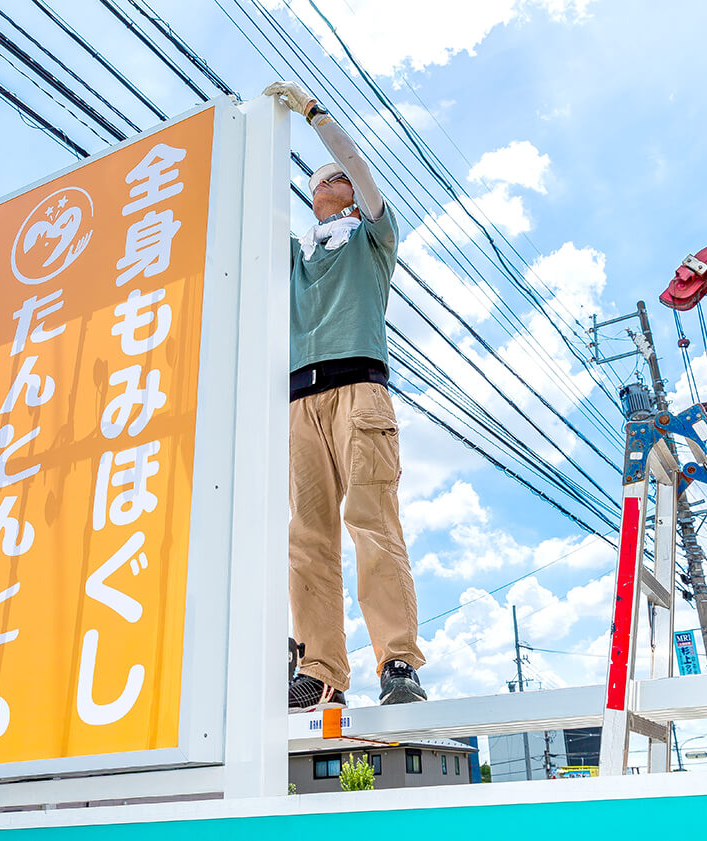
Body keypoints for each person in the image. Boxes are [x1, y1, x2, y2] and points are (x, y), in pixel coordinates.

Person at [263, 81, 427, 711]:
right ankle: (320, 667)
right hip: (298, 401)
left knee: (372, 524)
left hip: (359, 391)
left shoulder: (372, 240)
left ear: (355, 195)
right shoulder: (296, 254)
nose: (327, 178)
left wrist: (313, 113)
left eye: (339, 176)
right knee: (306, 537)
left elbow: (355, 161)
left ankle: (399, 663)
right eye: (319, 176)